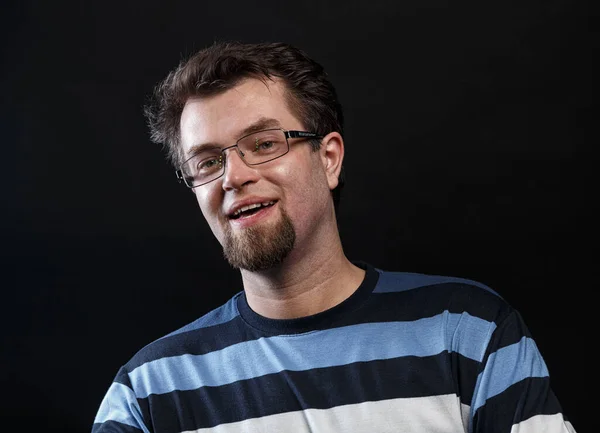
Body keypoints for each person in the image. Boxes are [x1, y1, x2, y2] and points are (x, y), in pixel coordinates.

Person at [92, 41, 576, 433]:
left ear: (329, 159)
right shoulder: (148, 392)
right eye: (207, 162)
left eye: (264, 144)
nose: (232, 177)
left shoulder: (470, 333)